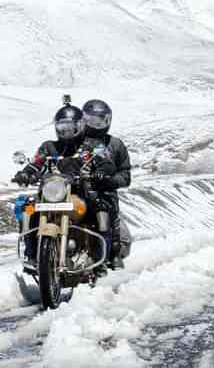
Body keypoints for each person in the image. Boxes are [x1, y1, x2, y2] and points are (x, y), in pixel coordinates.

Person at [13, 98, 132, 271]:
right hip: (53, 194)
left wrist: (102, 173)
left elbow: (104, 161)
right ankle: (31, 253)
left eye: (71, 127)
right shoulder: (49, 147)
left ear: (80, 126)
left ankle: (105, 255)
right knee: (27, 209)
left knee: (101, 208)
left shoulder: (91, 146)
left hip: (80, 194)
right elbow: (36, 162)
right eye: (62, 127)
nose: (66, 131)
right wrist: (25, 173)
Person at [81, 99, 132, 269]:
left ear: (108, 121)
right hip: (74, 190)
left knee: (108, 209)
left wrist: (109, 180)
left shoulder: (115, 145)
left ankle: (112, 251)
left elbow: (125, 176)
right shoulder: (74, 142)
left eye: (100, 120)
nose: (95, 125)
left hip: (102, 192)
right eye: (90, 120)